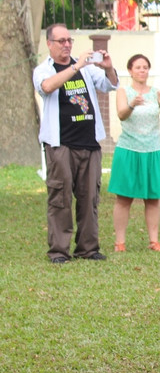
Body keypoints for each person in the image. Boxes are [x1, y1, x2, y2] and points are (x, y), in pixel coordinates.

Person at [34, 23, 119, 263]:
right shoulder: (44, 70)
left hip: (89, 143)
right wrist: (75, 66)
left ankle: (88, 248)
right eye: (61, 41)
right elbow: (47, 87)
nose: (67, 44)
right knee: (60, 197)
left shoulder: (87, 69)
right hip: (61, 144)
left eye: (69, 40)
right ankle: (59, 251)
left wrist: (109, 68)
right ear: (49, 44)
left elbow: (109, 84)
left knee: (90, 197)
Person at [109, 54, 160, 253]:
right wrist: (132, 105)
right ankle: (120, 242)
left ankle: (154, 241)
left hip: (152, 150)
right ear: (130, 70)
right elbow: (121, 114)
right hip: (129, 149)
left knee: (152, 198)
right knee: (124, 198)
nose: (142, 70)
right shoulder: (123, 91)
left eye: (145, 67)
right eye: (138, 67)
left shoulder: (156, 93)